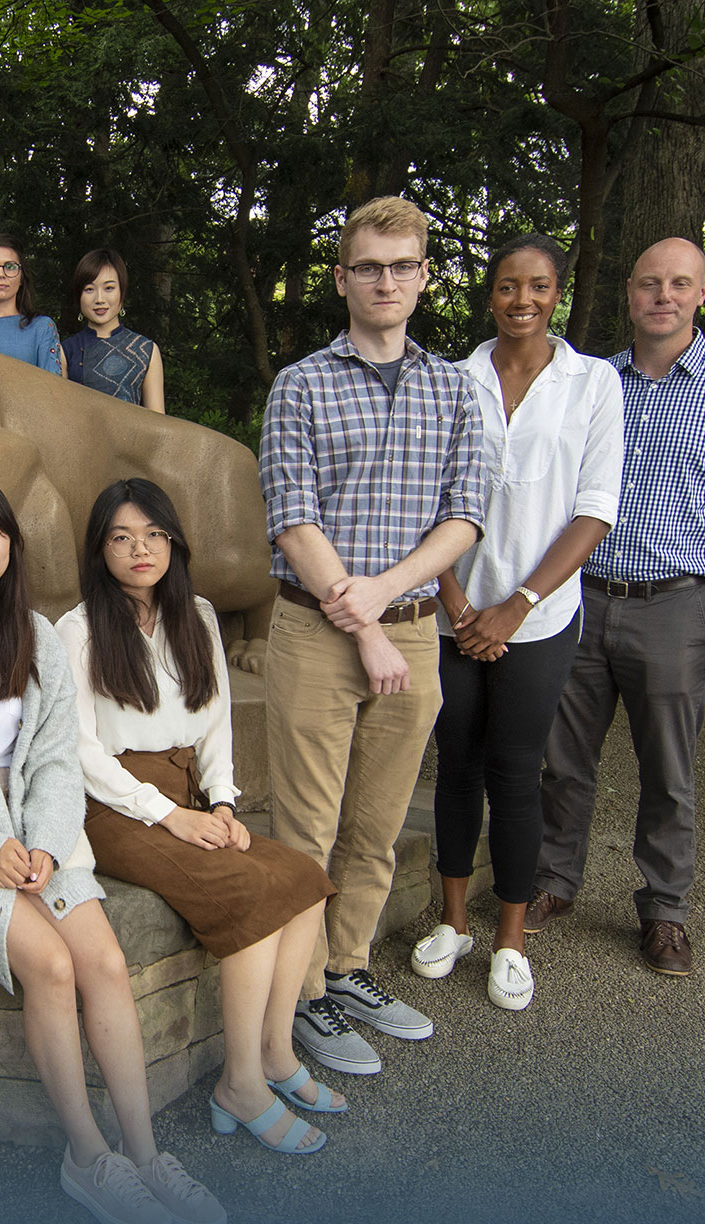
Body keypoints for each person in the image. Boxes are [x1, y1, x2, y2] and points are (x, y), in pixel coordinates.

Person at [0, 474, 224, 1224]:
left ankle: (145, 1152)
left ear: (12, 542)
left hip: (40, 825)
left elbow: (58, 761)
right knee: (54, 966)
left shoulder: (36, 633)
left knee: (102, 963)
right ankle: (89, 1156)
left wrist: (39, 840)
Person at [258, 195, 486, 1076]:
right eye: (368, 266)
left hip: (415, 634)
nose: (385, 281)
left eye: (402, 266)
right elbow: (294, 521)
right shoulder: (303, 385)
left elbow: (465, 517)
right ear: (343, 277)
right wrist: (364, 627)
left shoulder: (452, 387)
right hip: (315, 633)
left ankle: (347, 966)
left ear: (424, 277)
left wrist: (390, 606)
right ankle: (303, 991)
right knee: (307, 829)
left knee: (377, 824)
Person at [533, 236, 705, 977]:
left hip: (675, 606)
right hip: (578, 598)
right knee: (561, 758)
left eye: (679, 283)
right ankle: (552, 882)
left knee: (670, 769)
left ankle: (664, 910)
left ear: (703, 292)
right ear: (629, 292)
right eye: (650, 282)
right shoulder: (588, 381)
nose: (664, 295)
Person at [56, 479, 339, 1154]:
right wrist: (168, 817)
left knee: (301, 880)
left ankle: (274, 1055)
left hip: (187, 789)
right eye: (120, 538)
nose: (139, 549)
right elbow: (80, 750)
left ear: (174, 542)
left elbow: (214, 724)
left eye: (152, 534)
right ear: (100, 552)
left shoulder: (199, 615)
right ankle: (238, 1085)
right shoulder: (77, 628)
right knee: (246, 892)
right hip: (112, 803)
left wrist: (220, 804)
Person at [410, 234, 623, 1010]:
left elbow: (595, 509)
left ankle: (507, 940)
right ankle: (454, 922)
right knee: (456, 766)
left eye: (537, 286)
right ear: (489, 294)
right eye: (506, 286)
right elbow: (426, 498)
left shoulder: (593, 383)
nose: (521, 300)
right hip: (453, 612)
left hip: (539, 616)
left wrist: (516, 605)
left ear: (558, 293)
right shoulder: (451, 379)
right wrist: (460, 603)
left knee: (515, 772)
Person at [61, 249, 164, 412]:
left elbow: (158, 422)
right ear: (78, 296)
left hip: (132, 437)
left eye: (109, 288)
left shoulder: (146, 350)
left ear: (122, 293)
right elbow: (60, 415)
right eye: (89, 289)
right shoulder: (66, 350)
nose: (99, 299)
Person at [0, 234, 65, 375]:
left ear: (21, 278)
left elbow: (55, 389)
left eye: (10, 266)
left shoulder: (42, 328)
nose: (1, 274)